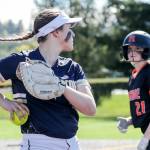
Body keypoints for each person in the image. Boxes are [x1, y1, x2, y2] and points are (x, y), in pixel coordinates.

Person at [0, 8, 96, 150]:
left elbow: (90, 109)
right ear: (56, 32)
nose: (73, 34)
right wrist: (5, 102)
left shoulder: (72, 67)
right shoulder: (21, 62)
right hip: (38, 144)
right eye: (68, 29)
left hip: (72, 144)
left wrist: (61, 87)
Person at [117, 30, 150, 150]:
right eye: (129, 49)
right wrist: (129, 121)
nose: (132, 52)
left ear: (146, 50)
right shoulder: (133, 76)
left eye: (137, 48)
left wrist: (146, 139)